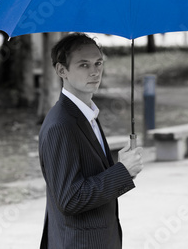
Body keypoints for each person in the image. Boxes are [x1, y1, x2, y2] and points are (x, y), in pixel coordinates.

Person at [38, 33, 144, 248]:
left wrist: (119, 166)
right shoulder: (62, 125)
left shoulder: (86, 115)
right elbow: (70, 198)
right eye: (83, 65)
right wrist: (122, 171)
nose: (95, 71)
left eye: (98, 63)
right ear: (61, 70)